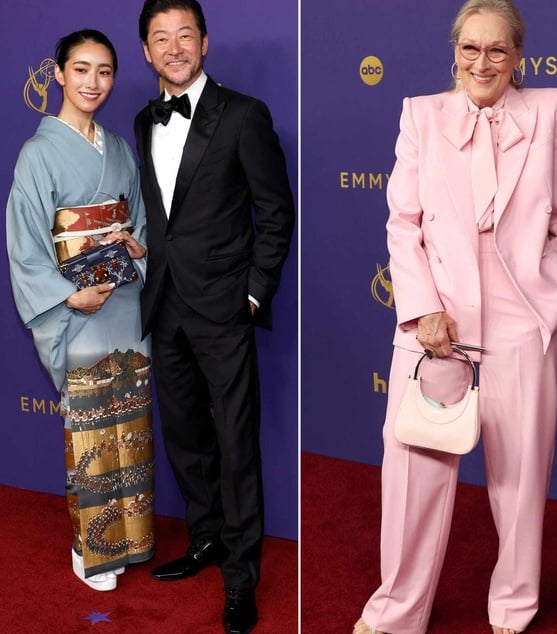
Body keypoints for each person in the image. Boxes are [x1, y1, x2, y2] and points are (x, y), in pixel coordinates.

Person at [353, 1, 557, 633]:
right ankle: (397, 613)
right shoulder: (421, 116)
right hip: (438, 326)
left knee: (519, 478)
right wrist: (423, 308)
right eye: (470, 49)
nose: (483, 62)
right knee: (412, 476)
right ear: (454, 52)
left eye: (498, 50)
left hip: (522, 321)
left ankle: (513, 606)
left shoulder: (550, 111)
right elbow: (403, 224)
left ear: (518, 56)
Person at [133, 1, 294, 632]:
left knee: (234, 444)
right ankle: (205, 539)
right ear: (146, 51)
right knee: (185, 436)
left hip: (224, 309)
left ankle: (240, 578)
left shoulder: (245, 115)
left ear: (204, 42)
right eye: (160, 38)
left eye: (184, 35)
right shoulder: (144, 118)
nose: (174, 47)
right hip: (164, 305)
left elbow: (275, 211)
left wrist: (254, 293)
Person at [6, 29, 153, 593]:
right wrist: (68, 295)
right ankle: (91, 547)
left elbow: (137, 220)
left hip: (123, 300)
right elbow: (25, 244)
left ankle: (132, 536)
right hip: (78, 307)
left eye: (106, 71)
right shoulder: (38, 154)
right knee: (91, 425)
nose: (94, 82)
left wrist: (136, 251)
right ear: (60, 74)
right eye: (82, 69)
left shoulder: (117, 147)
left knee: (130, 419)